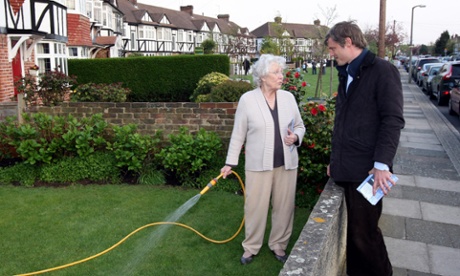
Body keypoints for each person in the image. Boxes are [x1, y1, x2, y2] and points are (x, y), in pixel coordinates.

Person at [325, 21, 405, 276]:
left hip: (368, 170)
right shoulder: (347, 71)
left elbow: (392, 120)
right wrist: (335, 160)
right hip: (348, 166)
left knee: (365, 235)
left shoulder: (383, 71)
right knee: (355, 234)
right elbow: (344, 122)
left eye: (333, 47)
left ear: (348, 42)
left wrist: (381, 165)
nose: (331, 54)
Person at [220, 54, 305, 265]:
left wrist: (296, 137)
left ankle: (278, 244)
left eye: (281, 72)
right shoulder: (248, 100)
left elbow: (300, 126)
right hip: (258, 166)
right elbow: (238, 134)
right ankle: (251, 247)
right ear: (263, 76)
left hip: (287, 164)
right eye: (276, 72)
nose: (281, 76)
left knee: (284, 207)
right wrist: (230, 162)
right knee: (255, 207)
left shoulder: (288, 98)